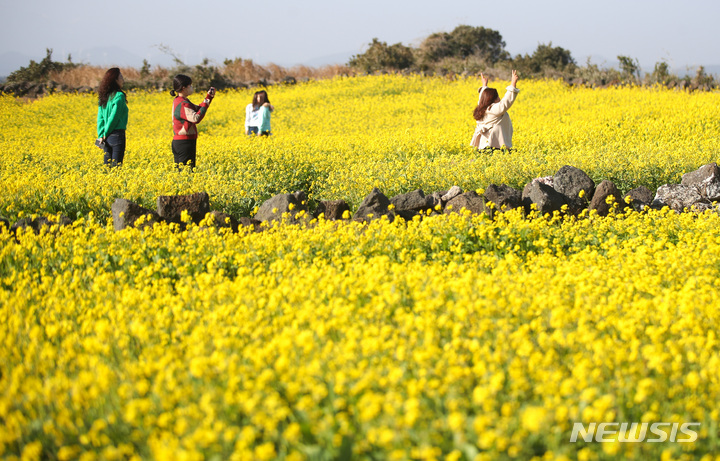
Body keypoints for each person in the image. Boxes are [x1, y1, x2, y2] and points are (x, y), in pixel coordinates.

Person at [170, 74, 216, 170]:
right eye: (190, 86)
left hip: (180, 141)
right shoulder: (183, 103)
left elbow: (197, 109)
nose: (192, 87)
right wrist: (206, 103)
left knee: (182, 173)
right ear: (184, 88)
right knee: (186, 173)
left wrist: (209, 97)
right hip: (184, 142)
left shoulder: (179, 100)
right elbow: (196, 117)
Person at [470, 70, 520, 151]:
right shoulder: (494, 110)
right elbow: (506, 101)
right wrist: (513, 84)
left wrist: (484, 86)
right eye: (497, 97)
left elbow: (482, 99)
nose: (499, 98)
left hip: (483, 146)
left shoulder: (482, 109)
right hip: (494, 147)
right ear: (493, 99)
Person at [97, 68, 128, 167]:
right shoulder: (119, 96)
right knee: (116, 167)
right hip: (116, 135)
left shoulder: (104, 96)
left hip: (106, 137)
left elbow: (100, 118)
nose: (123, 80)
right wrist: (105, 133)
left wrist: (101, 135)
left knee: (107, 167)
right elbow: (114, 117)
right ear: (115, 80)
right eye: (121, 77)